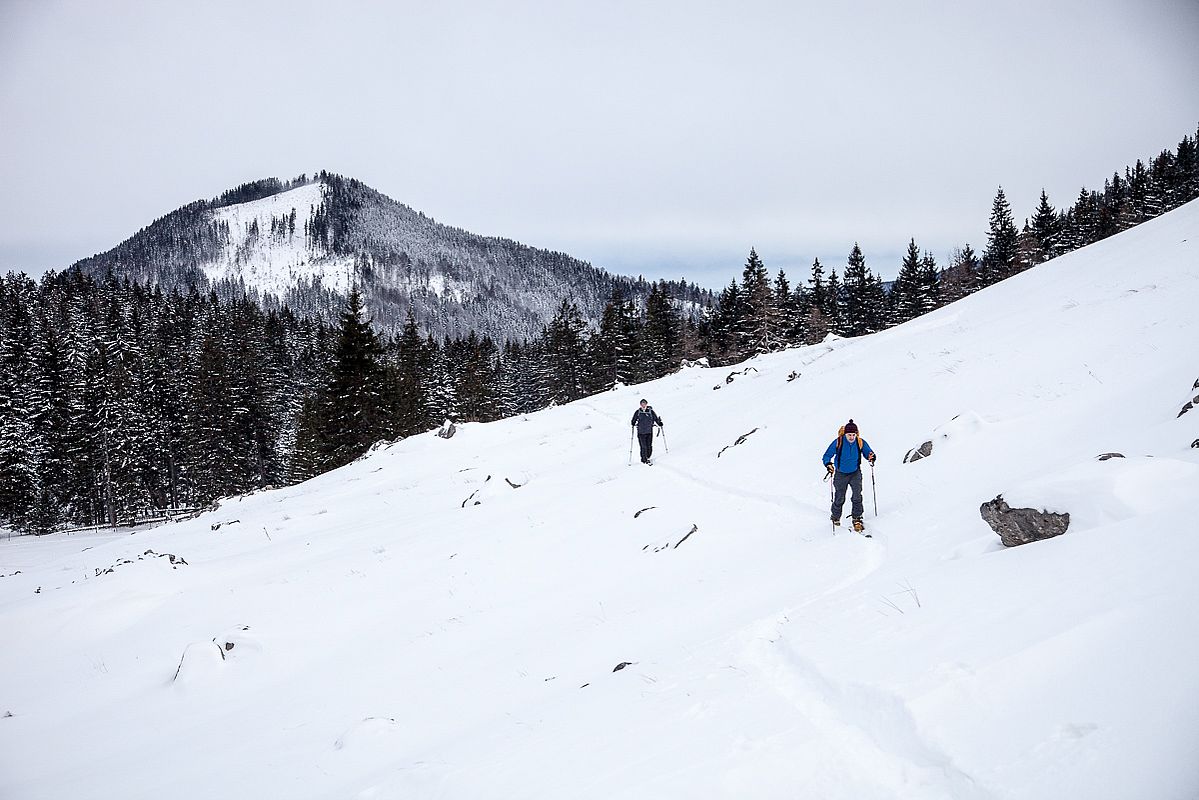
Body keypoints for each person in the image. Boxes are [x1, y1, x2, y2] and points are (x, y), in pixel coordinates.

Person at [822, 419, 876, 531]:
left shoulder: (860, 442)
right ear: (845, 434)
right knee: (839, 497)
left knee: (857, 495)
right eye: (849, 434)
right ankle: (835, 517)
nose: (851, 437)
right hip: (841, 474)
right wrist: (828, 464)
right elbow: (827, 455)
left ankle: (857, 518)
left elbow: (868, 453)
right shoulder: (839, 442)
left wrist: (871, 456)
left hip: (855, 472)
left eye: (853, 434)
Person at [631, 399, 664, 464]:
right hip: (641, 432)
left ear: (646, 404)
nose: (643, 405)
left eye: (644, 404)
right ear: (640, 405)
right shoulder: (638, 412)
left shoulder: (651, 411)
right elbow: (633, 419)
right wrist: (633, 422)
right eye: (642, 404)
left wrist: (659, 423)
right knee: (643, 447)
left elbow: (656, 419)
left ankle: (647, 457)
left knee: (649, 446)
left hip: (649, 432)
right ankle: (644, 459)